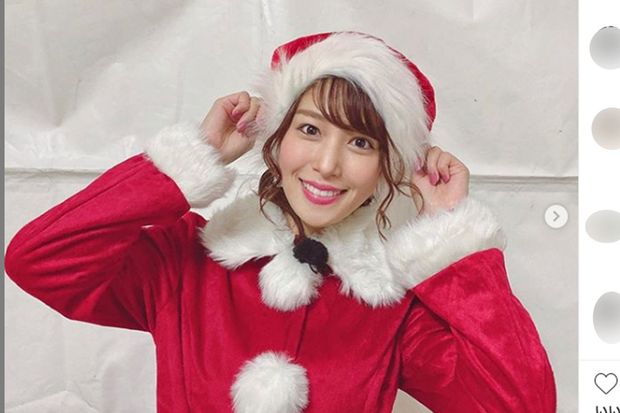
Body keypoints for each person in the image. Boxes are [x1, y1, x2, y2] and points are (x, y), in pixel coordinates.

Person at [5, 31, 556, 412]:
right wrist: (189, 163)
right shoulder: (185, 264)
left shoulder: (393, 311)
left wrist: (452, 239)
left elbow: (519, 405)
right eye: (310, 130)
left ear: (387, 168)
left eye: (361, 143)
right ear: (275, 139)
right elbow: (39, 260)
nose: (328, 165)